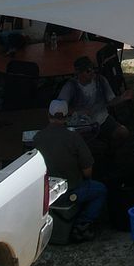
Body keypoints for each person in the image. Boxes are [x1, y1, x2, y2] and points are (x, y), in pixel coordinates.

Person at [36, 100, 106, 240]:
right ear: (67, 117)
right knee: (100, 190)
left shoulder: (37, 138)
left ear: (48, 115)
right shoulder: (73, 137)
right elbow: (87, 171)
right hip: (71, 191)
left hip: (46, 193)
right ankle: (82, 224)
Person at [57, 56, 133, 146]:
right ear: (79, 73)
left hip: (102, 120)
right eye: (88, 71)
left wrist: (122, 98)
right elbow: (59, 108)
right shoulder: (70, 86)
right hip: (80, 124)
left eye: (93, 69)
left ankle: (111, 151)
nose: (92, 72)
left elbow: (110, 101)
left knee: (123, 132)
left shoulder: (101, 80)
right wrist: (77, 112)